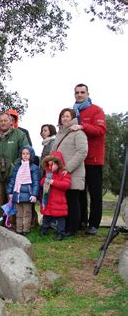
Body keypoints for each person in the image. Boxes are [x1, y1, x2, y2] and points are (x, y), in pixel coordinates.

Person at [72, 83, 107, 235]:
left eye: (82, 92)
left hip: (93, 160)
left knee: (95, 193)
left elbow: (100, 130)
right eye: (77, 92)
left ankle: (94, 224)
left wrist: (83, 126)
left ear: (88, 93)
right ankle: (81, 221)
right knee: (79, 193)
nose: (79, 95)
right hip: (78, 160)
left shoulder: (96, 110)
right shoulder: (73, 112)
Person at [0, 112, 29, 223]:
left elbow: (25, 151)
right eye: (0, 121)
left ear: (11, 121)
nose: (3, 123)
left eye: (5, 120)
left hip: (14, 176)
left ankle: (12, 224)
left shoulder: (20, 135)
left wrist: (14, 166)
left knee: (11, 200)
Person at [52, 108, 88, 237]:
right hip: (61, 173)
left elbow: (82, 152)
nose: (64, 119)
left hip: (72, 172)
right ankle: (65, 226)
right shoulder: (60, 134)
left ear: (72, 118)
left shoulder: (78, 133)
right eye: (63, 116)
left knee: (73, 201)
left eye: (67, 116)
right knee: (64, 201)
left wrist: (68, 167)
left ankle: (73, 228)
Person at [6, 146, 40, 236]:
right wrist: (10, 192)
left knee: (27, 213)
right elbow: (12, 180)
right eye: (23, 153)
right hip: (17, 193)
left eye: (27, 154)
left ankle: (26, 229)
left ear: (31, 155)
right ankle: (19, 229)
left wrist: (34, 194)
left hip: (28, 194)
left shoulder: (34, 168)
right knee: (19, 213)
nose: (25, 156)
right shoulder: (17, 167)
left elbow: (36, 182)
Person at [39, 151, 72, 240]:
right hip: (48, 201)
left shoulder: (63, 174)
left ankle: (61, 233)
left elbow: (66, 185)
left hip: (58, 201)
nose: (50, 167)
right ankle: (44, 230)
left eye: (52, 164)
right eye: (49, 165)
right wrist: (45, 181)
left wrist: (53, 182)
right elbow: (41, 183)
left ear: (58, 163)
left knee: (60, 219)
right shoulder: (48, 173)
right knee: (46, 217)